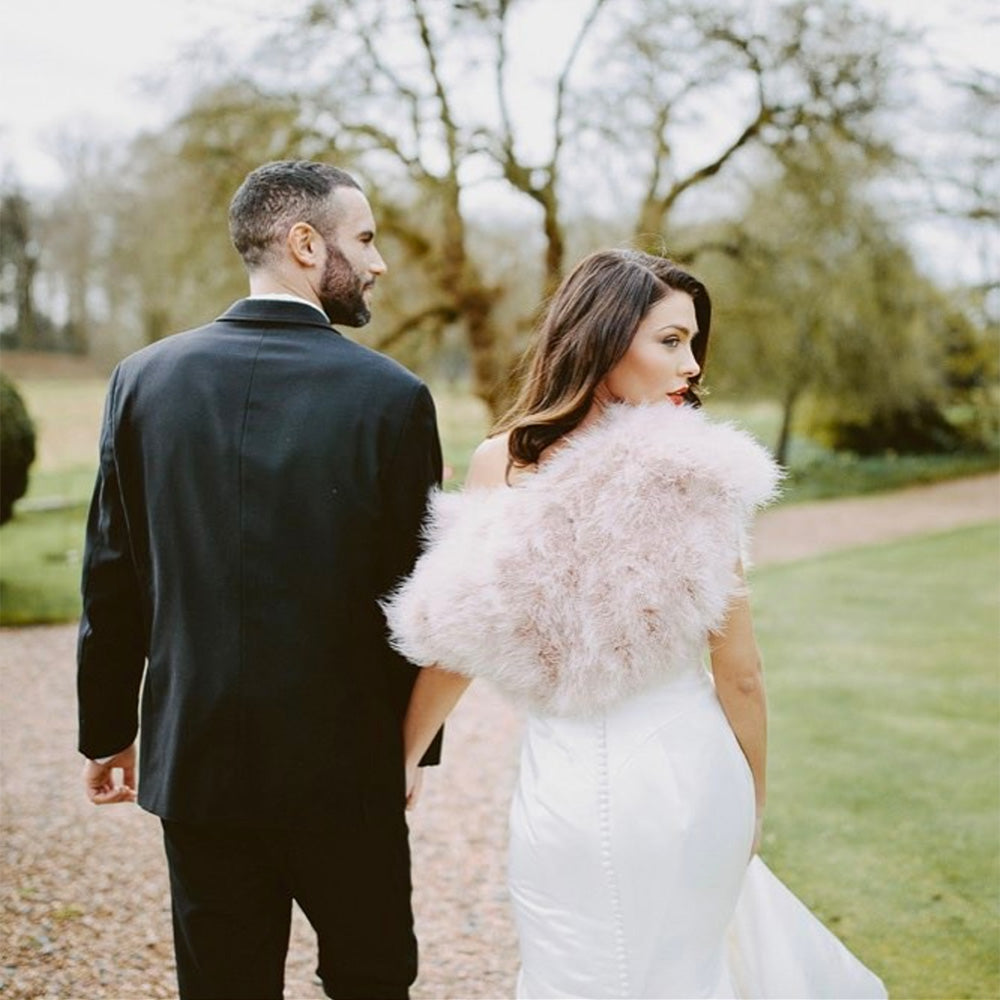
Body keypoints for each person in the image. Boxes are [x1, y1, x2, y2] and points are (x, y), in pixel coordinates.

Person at [383, 249, 887, 998]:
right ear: (603, 339)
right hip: (688, 780)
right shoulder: (701, 472)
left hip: (565, 793)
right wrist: (751, 801)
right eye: (671, 341)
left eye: (692, 342)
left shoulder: (502, 462)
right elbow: (739, 673)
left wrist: (404, 753)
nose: (692, 365)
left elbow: (461, 635)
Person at [77, 160, 443, 1000]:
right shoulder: (392, 397)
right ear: (304, 244)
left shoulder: (141, 381)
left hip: (197, 760)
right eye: (365, 238)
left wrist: (107, 730)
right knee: (373, 977)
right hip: (347, 769)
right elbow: (421, 597)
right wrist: (413, 748)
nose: (379, 262)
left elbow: (112, 576)